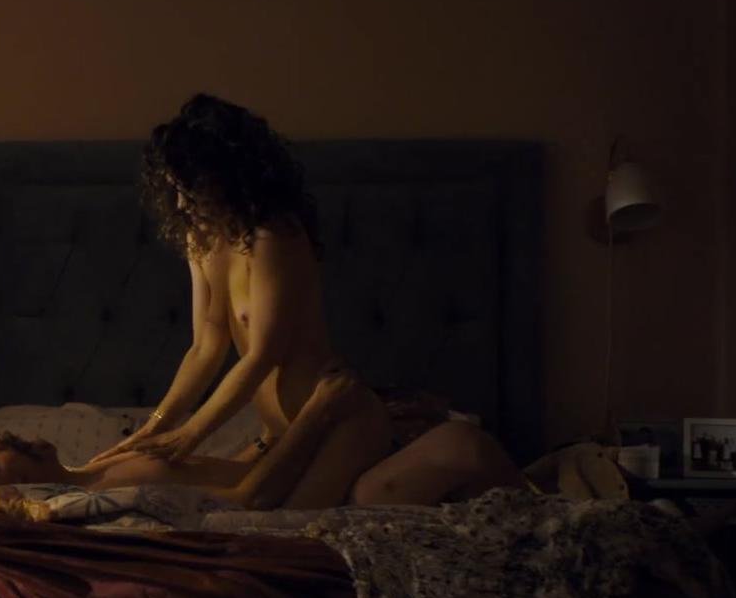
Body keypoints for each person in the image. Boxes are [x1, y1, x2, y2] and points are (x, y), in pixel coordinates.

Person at [77, 94, 518, 509]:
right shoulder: (201, 238)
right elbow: (205, 347)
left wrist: (193, 432)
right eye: (175, 189)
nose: (182, 202)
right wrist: (157, 426)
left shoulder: (274, 236)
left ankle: (471, 461)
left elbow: (263, 355)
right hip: (282, 430)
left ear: (227, 177)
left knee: (300, 524)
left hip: (338, 420)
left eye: (192, 189)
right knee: (244, 506)